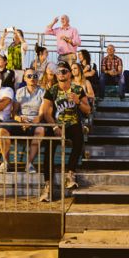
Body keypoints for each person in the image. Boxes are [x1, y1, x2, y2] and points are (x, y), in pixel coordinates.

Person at [39, 62, 91, 201]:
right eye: (59, 71)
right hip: (57, 124)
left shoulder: (78, 89)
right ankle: (48, 185)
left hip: (72, 123)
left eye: (65, 71)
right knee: (49, 145)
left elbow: (88, 110)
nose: (62, 73)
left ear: (69, 74)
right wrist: (55, 127)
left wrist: (78, 102)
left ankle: (70, 174)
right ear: (56, 74)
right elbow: (46, 113)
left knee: (78, 138)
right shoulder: (52, 90)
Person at [10, 68, 47, 173]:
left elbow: (41, 113)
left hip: (36, 120)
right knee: (3, 128)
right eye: (29, 76)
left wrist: (31, 123)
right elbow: (14, 112)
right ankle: (5, 162)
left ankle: (29, 163)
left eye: (35, 76)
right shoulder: (19, 92)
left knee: (40, 130)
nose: (32, 78)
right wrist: (19, 119)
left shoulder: (43, 92)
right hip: (22, 120)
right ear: (25, 78)